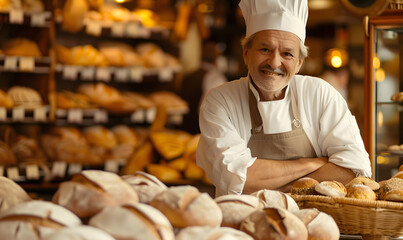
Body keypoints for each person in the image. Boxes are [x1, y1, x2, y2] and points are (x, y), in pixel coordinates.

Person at [196, 0, 372, 197]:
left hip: (316, 224)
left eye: (287, 53)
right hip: (242, 224)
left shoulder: (320, 94)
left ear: (298, 64)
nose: (274, 62)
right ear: (246, 54)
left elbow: (353, 171)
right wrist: (315, 162)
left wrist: (265, 182)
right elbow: (239, 180)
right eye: (265, 49)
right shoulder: (221, 101)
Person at [179, 41, 227, 134]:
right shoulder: (215, 78)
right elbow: (213, 110)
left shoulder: (188, 76)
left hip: (184, 129)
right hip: (201, 132)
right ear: (217, 60)